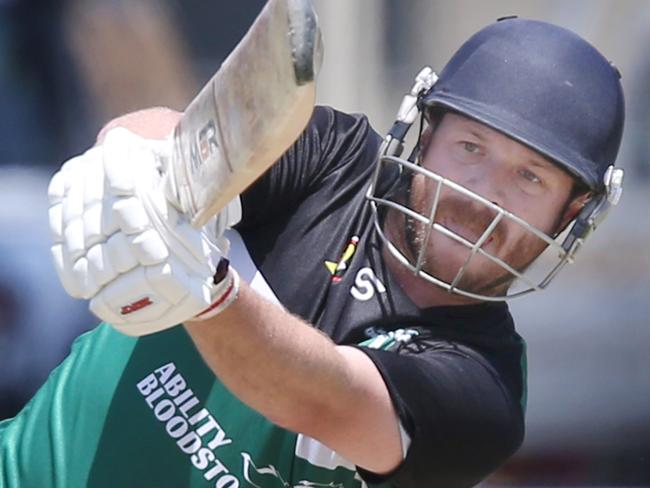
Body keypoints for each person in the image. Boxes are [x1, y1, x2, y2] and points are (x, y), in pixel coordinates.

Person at [0, 17, 625, 488]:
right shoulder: (341, 158)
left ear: (571, 214)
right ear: (425, 135)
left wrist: (206, 292)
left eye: (530, 178)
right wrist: (133, 163)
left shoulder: (486, 389)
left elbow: (322, 398)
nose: (483, 196)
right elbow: (192, 144)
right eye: (470, 148)